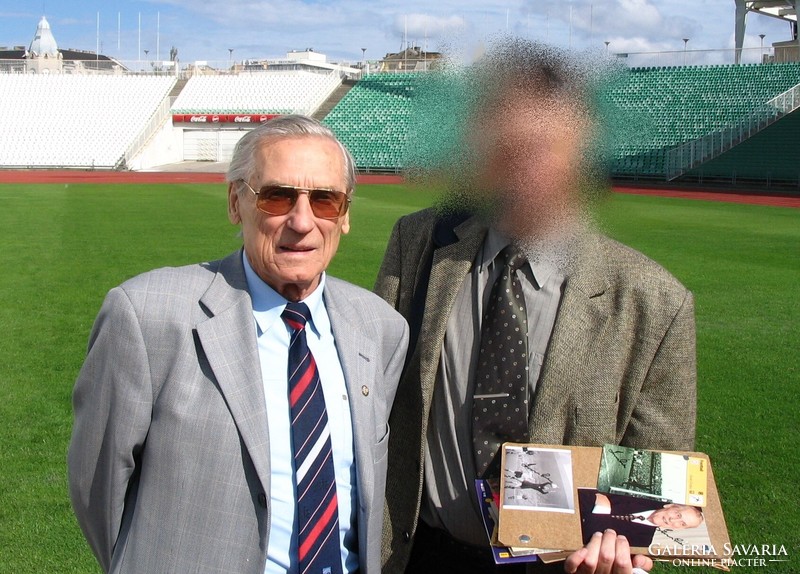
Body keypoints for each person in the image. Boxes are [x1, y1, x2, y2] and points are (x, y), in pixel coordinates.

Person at [375, 38, 696, 574]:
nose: (526, 163)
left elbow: (654, 481)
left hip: (556, 566)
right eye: (509, 145)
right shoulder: (419, 242)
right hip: (419, 553)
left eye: (545, 144)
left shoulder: (653, 301)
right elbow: (375, 394)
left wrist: (627, 546)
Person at [68, 115, 409, 574]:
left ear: (344, 216)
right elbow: (98, 490)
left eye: (325, 200)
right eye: (277, 196)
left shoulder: (381, 328)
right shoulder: (147, 315)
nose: (302, 221)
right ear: (236, 202)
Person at [578, 491, 705, 549]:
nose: (673, 520)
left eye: (682, 523)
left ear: (679, 529)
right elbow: (587, 494)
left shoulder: (643, 542)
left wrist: (602, 507)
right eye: (678, 514)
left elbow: (590, 541)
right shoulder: (642, 494)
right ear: (670, 506)